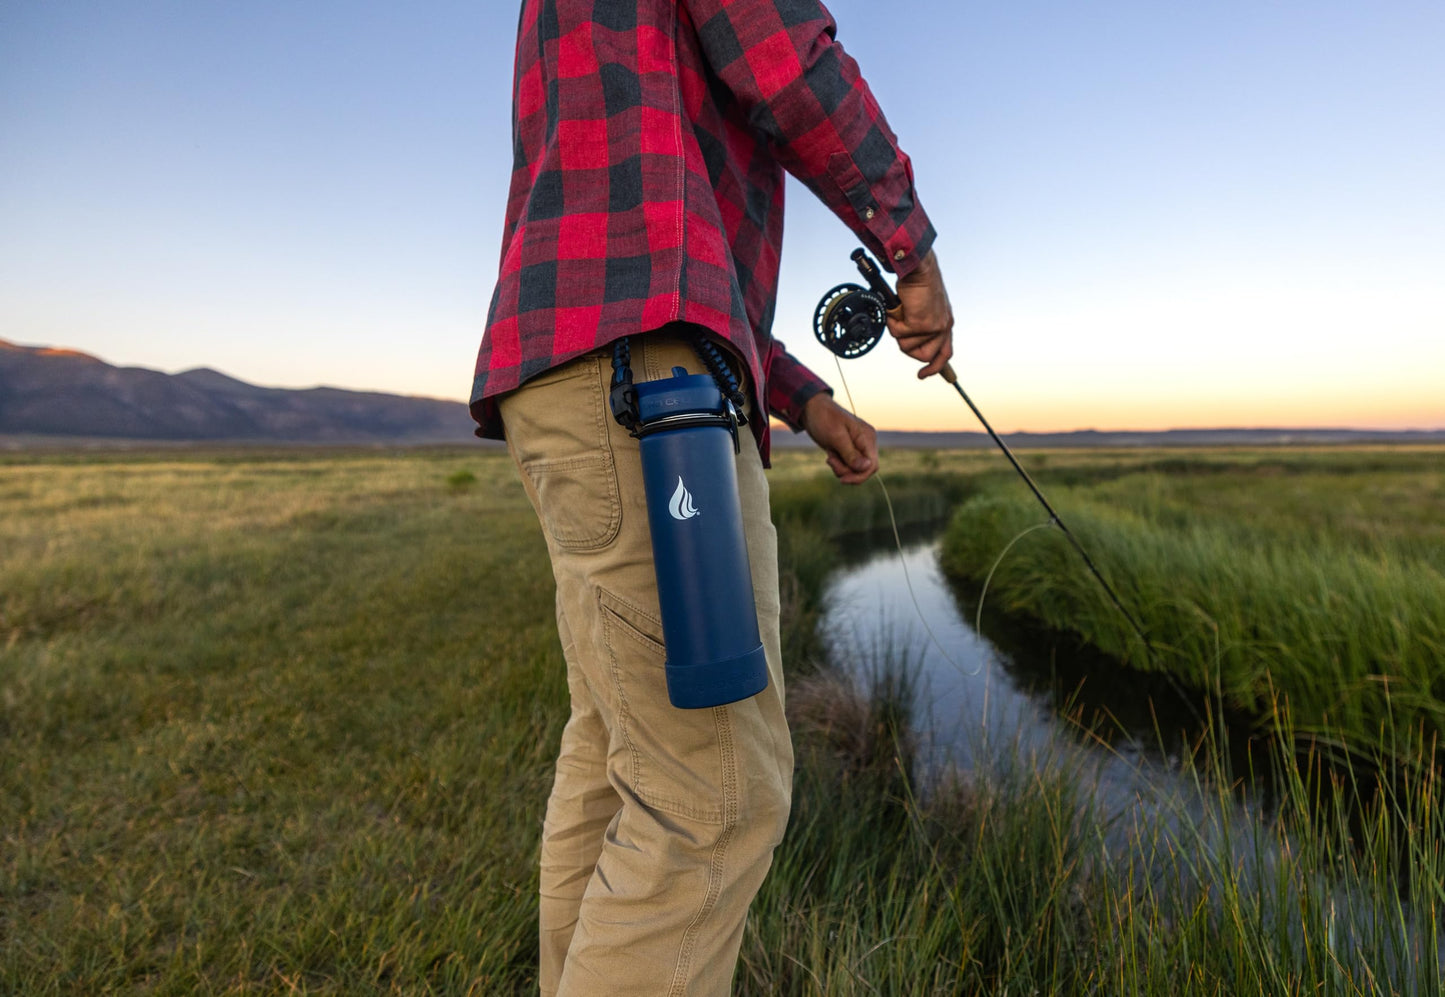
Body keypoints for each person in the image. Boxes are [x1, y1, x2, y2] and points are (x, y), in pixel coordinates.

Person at [468, 1, 953, 993]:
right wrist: (912, 251)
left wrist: (804, 402)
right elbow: (785, 62)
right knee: (714, 795)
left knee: (616, 759)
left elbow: (662, 255)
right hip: (651, 395)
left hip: (586, 380)